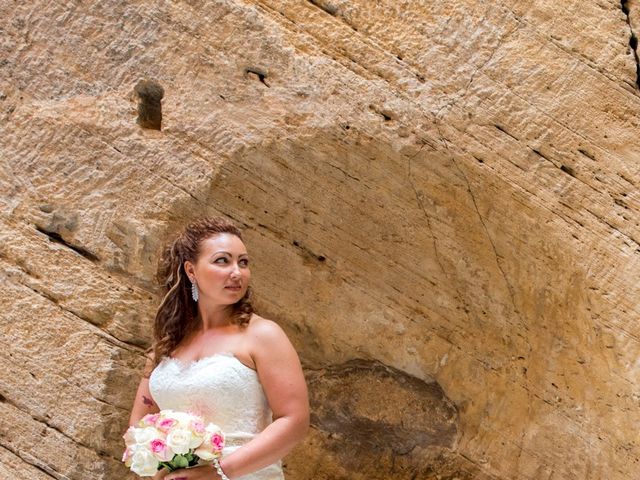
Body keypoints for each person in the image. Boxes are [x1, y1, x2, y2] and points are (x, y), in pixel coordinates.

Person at [128, 217, 310, 480]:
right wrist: (162, 470)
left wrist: (217, 472)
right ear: (191, 271)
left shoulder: (263, 335)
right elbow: (139, 426)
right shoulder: (167, 342)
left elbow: (294, 421)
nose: (237, 272)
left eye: (243, 262)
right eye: (222, 261)